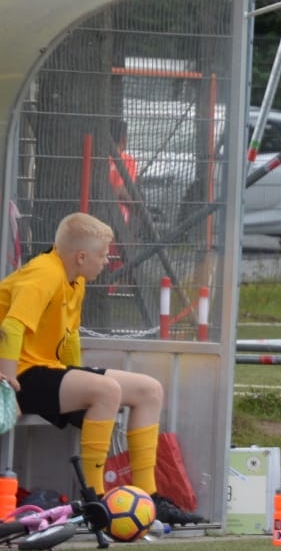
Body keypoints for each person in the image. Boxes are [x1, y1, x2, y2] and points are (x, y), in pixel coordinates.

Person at [0, 212, 205, 525]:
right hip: (18, 373)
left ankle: (149, 497)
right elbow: (11, 328)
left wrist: (76, 375)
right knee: (106, 390)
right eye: (103, 254)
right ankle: (94, 500)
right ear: (81, 256)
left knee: (149, 390)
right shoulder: (44, 273)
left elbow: (69, 338)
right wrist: (7, 382)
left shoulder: (76, 279)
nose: (107, 261)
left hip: (43, 369)